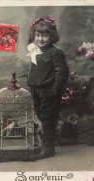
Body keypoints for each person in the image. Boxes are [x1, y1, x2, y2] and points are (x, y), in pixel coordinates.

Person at [26, 15, 69, 159]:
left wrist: (54, 90)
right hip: (35, 90)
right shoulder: (35, 51)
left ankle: (49, 148)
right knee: (40, 115)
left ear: (52, 37)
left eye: (45, 36)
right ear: (34, 36)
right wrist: (29, 80)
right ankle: (44, 144)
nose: (40, 39)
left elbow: (62, 72)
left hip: (49, 91)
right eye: (38, 35)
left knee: (48, 119)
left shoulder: (55, 53)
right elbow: (35, 69)